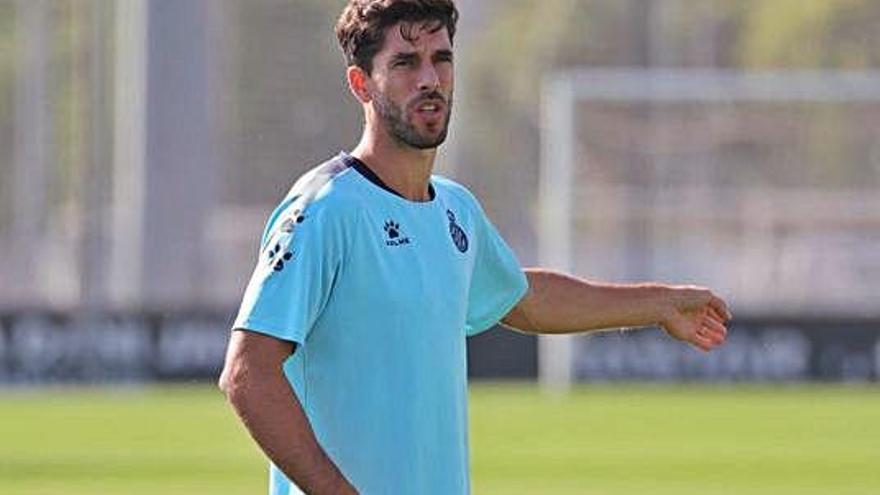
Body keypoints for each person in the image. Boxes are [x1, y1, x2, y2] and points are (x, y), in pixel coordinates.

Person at [219, 1, 732, 494]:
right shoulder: (324, 209)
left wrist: (661, 303)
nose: (429, 80)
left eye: (441, 59)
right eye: (405, 63)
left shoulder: (455, 211)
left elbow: (525, 298)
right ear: (361, 85)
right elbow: (248, 371)